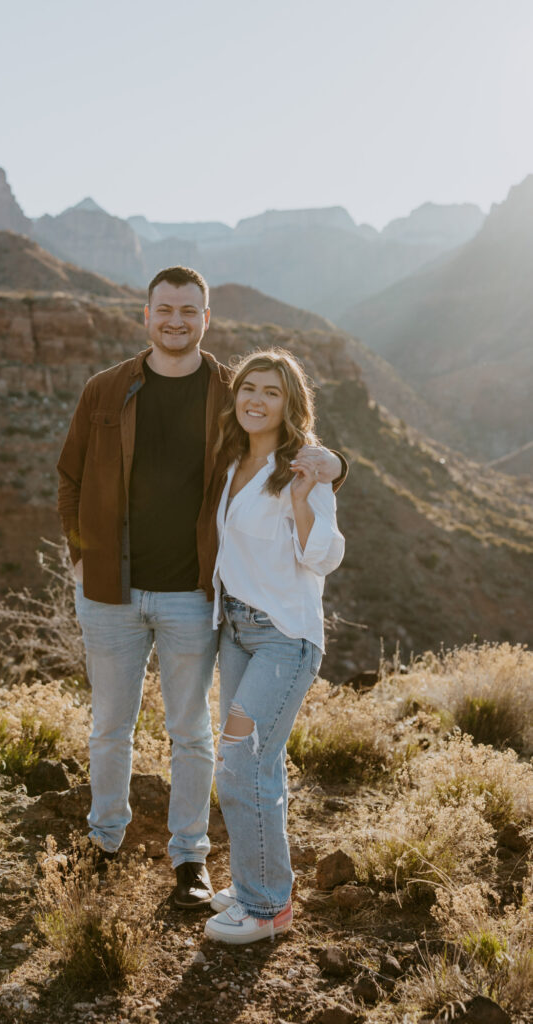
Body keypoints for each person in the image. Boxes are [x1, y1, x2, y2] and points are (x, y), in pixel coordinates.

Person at [57, 267, 346, 908]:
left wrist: (336, 465)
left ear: (206, 318)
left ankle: (189, 858)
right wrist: (80, 557)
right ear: (146, 315)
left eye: (189, 310)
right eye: (165, 309)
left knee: (190, 732)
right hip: (110, 591)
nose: (176, 321)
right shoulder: (105, 390)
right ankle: (105, 838)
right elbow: (69, 476)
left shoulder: (228, 391)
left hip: (193, 593)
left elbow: (286, 437)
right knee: (110, 726)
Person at [202, 348, 345, 944]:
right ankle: (256, 878)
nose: (256, 399)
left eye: (272, 392)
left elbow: (325, 557)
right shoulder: (232, 459)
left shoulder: (300, 471)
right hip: (235, 634)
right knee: (254, 765)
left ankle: (266, 909)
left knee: (242, 763)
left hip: (282, 640)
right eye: (248, 388)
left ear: (291, 405)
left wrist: (308, 496)